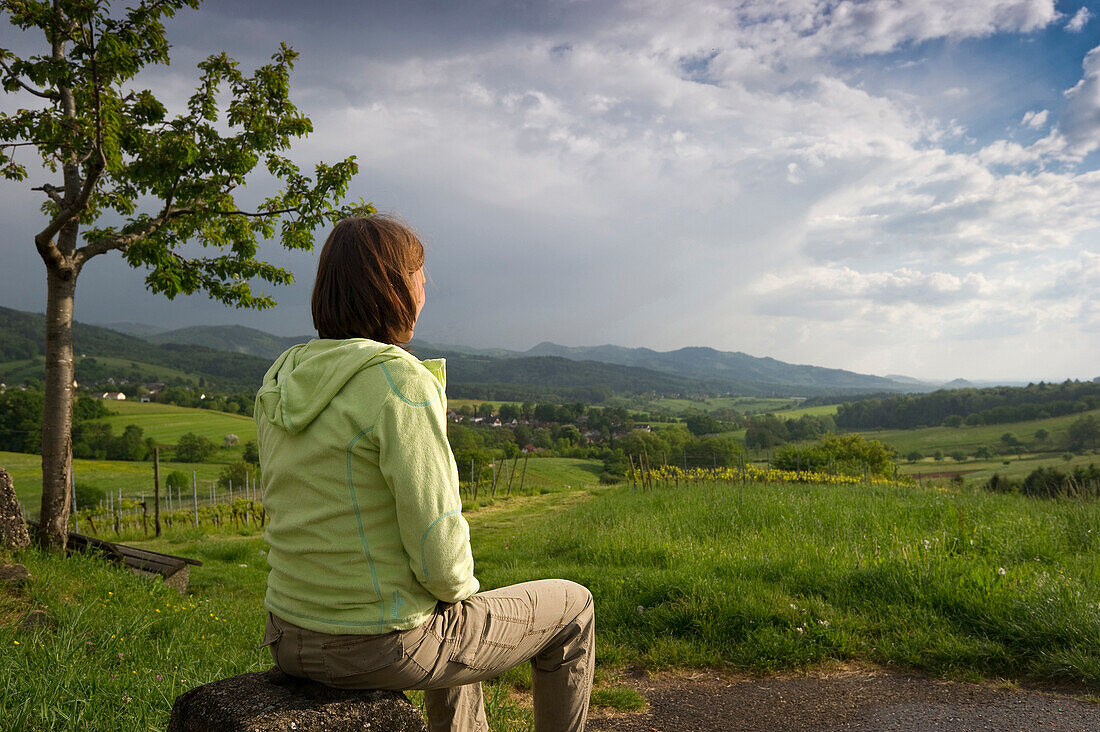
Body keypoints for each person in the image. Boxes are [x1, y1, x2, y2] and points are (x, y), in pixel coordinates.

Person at [254, 215, 595, 732]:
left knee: (457, 615)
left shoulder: (281, 377)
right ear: (391, 289)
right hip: (375, 645)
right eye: (419, 278)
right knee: (573, 607)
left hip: (288, 633)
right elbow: (441, 555)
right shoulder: (398, 381)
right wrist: (452, 586)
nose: (424, 294)